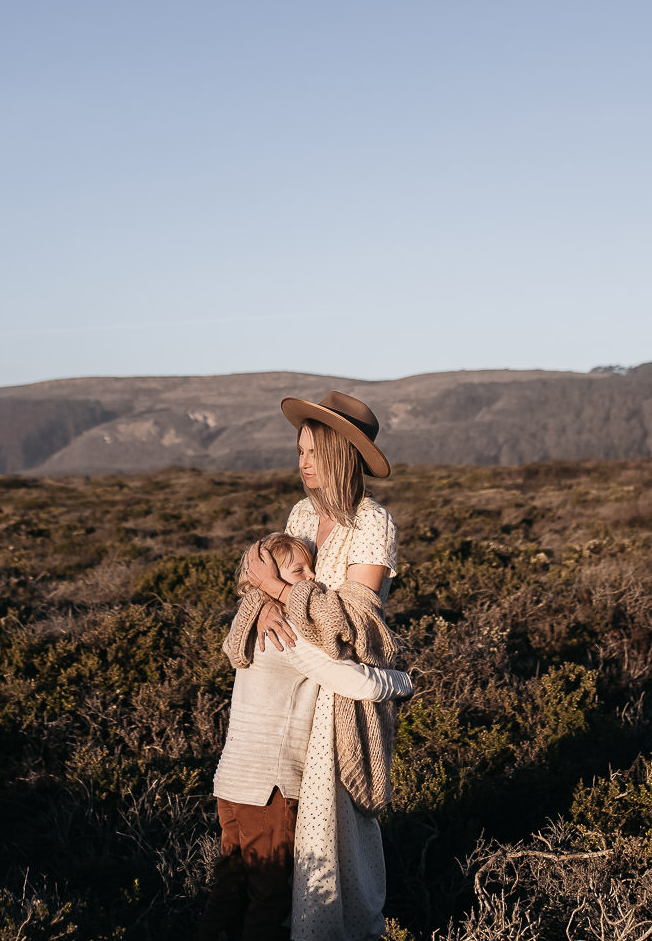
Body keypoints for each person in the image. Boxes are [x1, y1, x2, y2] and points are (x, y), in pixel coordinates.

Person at [238, 391, 401, 941]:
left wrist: (276, 590)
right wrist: (264, 601)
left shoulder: (372, 523)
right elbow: (275, 583)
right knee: (290, 829)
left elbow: (353, 624)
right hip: (293, 690)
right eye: (299, 449)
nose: (302, 460)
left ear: (340, 454)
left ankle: (348, 931)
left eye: (313, 451)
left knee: (337, 830)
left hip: (341, 695)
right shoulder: (302, 514)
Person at [200, 532, 413, 941]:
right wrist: (403, 681)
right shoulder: (286, 627)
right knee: (268, 900)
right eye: (299, 570)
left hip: (232, 783)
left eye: (311, 567)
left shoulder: (250, 618)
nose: (311, 578)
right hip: (270, 787)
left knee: (229, 890)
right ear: (268, 577)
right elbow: (355, 682)